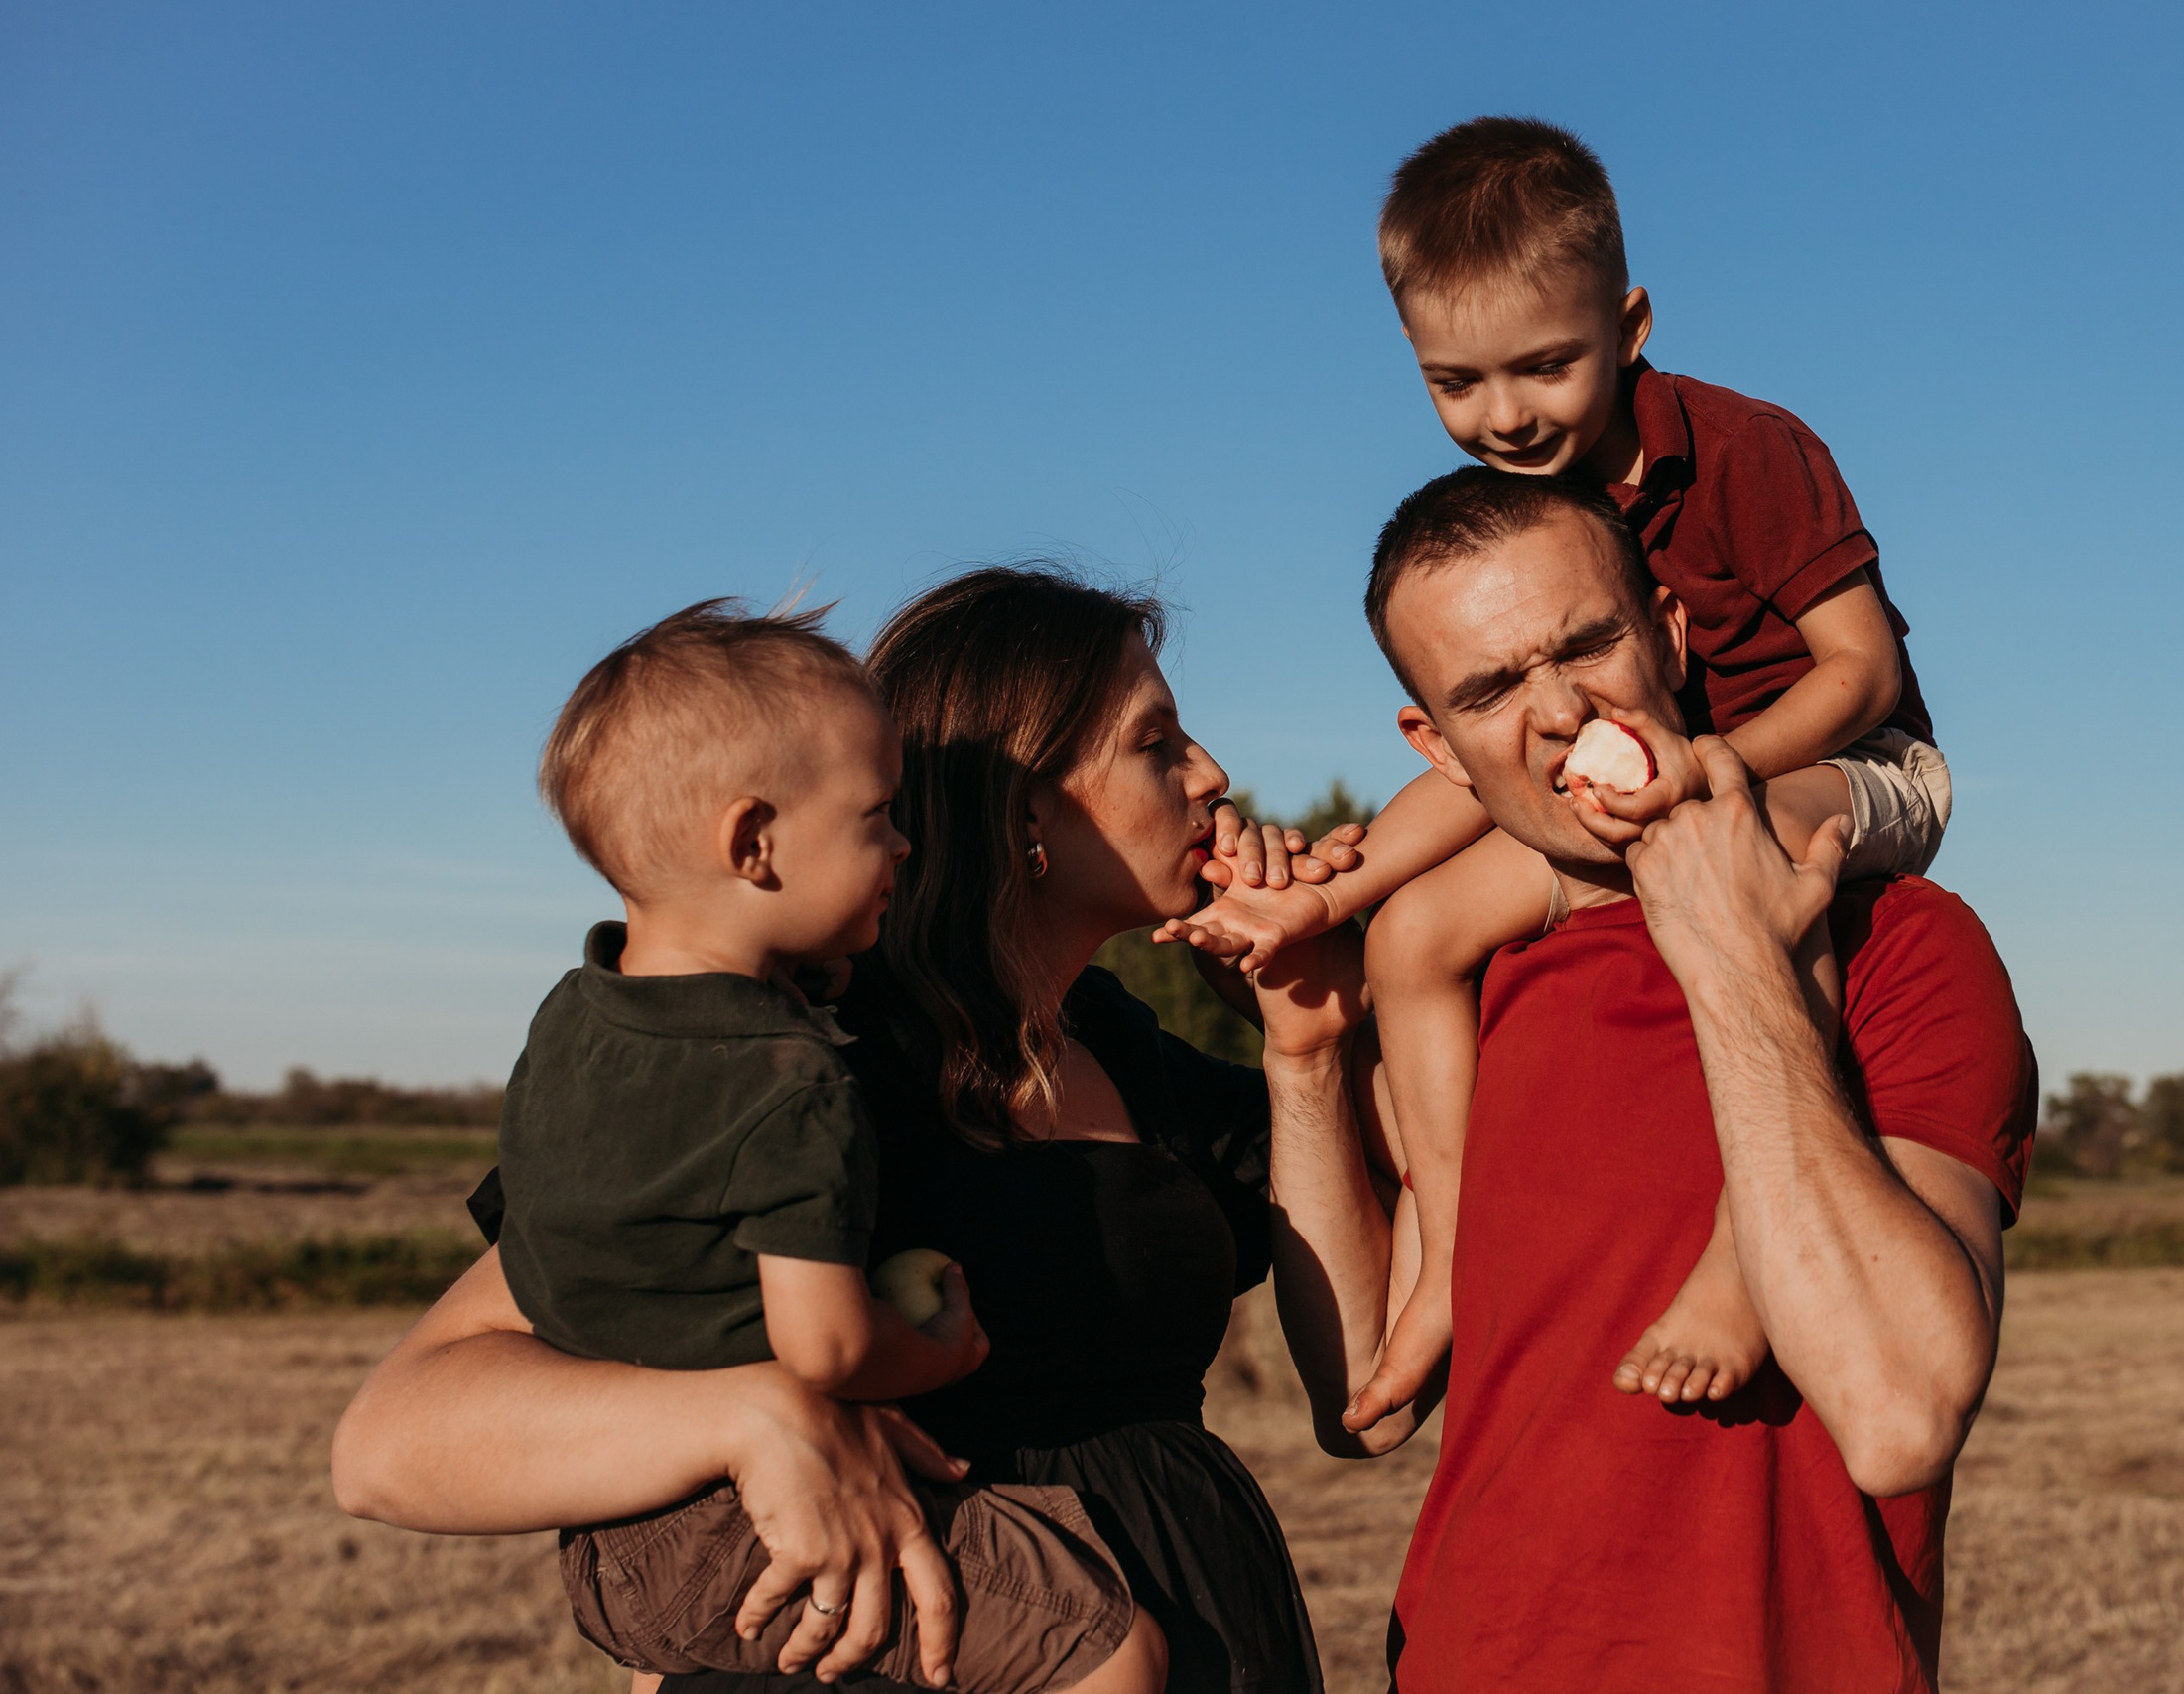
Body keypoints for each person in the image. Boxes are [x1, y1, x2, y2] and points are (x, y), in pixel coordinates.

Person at [331, 565, 1405, 1694]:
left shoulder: (1123, 1047)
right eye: (1157, 741)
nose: (1212, 775)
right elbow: (390, 1443)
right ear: (1027, 810)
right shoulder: (807, 1060)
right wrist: (743, 1416)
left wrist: (1312, 1041)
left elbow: (1362, 1395)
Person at [1170, 115, 1954, 1424]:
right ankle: (1448, 1247)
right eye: (1457, 384)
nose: (1504, 415)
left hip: (1843, 764)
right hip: (1645, 789)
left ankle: (1738, 1254)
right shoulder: (1538, 523)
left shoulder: (1750, 448)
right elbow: (1483, 773)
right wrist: (1330, 896)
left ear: (1631, 323)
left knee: (1753, 866)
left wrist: (1706, 774)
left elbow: (1860, 673)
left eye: (1545, 368)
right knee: (1420, 931)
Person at [1352, 467, 2031, 1689]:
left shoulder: (1904, 946)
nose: (1558, 712)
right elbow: (1369, 1400)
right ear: (1435, 747)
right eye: (1490, 688)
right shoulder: (1466, 987)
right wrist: (1301, 1053)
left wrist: (1729, 952)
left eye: (1588, 644)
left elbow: (1898, 1418)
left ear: (1667, 636)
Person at [479, 597, 1158, 1689]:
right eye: (876, 814)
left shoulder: (573, 1018)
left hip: (613, 1530)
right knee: (1105, 1653)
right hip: (758, 1521)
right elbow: (829, 1349)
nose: (902, 839)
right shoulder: (798, 1085)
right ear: (754, 842)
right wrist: (937, 1347)